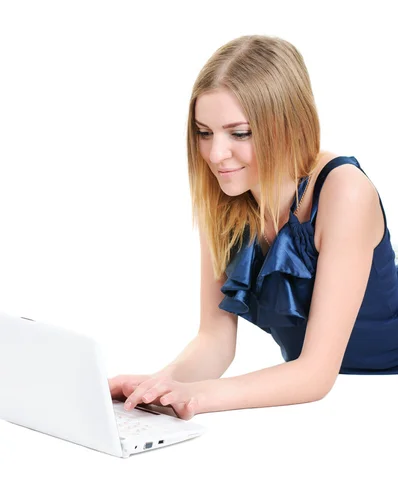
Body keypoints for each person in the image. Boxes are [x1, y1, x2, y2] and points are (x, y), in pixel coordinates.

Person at [109, 34, 398, 420]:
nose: (215, 154)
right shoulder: (227, 195)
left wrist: (195, 398)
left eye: (239, 133)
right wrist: (157, 387)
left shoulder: (344, 191)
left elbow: (315, 374)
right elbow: (215, 340)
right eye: (204, 132)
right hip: (340, 409)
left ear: (288, 124)